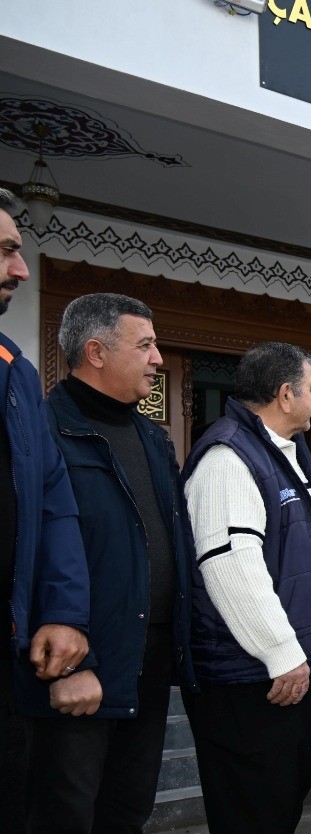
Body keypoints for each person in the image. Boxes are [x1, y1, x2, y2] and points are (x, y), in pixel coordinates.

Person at [27, 294, 195, 832]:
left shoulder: (153, 437)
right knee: (66, 814)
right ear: (96, 352)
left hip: (149, 659)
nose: (158, 359)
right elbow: (30, 555)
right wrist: (74, 664)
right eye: (144, 345)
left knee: (127, 811)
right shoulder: (40, 431)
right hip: (78, 665)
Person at [181, 342, 311, 834]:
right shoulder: (228, 457)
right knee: (253, 810)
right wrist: (281, 652)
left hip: (291, 667)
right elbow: (230, 564)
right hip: (253, 676)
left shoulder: (283, 453)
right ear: (285, 394)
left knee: (279, 803)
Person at [0, 187, 90, 829]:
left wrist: (62, 612)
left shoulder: (16, 373)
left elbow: (53, 505)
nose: (21, 269)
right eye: (7, 250)